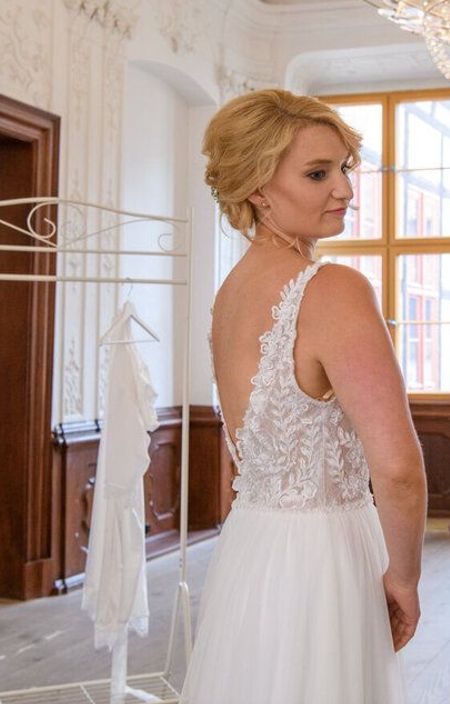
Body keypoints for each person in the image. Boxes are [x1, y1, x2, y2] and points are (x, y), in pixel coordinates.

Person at [183, 89, 428, 703]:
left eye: (344, 167)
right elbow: (397, 469)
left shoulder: (231, 293)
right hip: (325, 561)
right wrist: (405, 577)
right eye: (318, 173)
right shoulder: (333, 289)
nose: (344, 188)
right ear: (258, 189)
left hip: (250, 554)